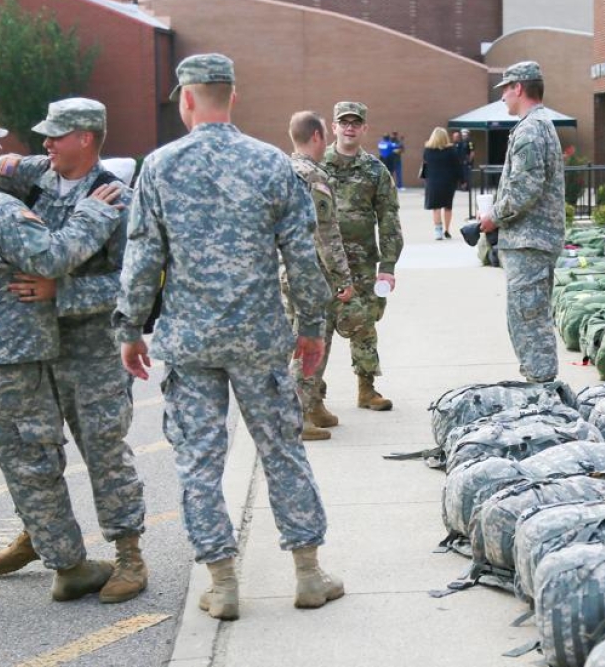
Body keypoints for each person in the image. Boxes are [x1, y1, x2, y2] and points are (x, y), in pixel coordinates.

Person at [113, 53, 342, 621]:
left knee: (198, 461)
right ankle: (309, 574)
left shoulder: (160, 167)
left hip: (191, 344)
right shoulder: (271, 164)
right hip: (260, 338)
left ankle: (222, 582)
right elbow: (303, 259)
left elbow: (142, 260)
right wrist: (311, 328)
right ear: (231, 96)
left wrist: (128, 330)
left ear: (186, 99)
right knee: (283, 451)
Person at [0, 99, 149, 604]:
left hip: (86, 351)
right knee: (31, 454)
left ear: (86, 137)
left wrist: (63, 293)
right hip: (23, 349)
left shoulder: (115, 197)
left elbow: (134, 283)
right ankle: (42, 538)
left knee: (103, 452)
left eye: (56, 135)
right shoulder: (30, 175)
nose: (43, 144)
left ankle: (128, 553)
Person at [479, 61, 565, 383]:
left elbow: (525, 188)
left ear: (518, 88)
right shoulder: (539, 124)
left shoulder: (531, 128)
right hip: (533, 241)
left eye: (505, 89)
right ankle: (540, 383)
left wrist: (493, 217)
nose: (503, 97)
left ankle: (541, 390)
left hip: (530, 242)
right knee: (531, 315)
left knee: (528, 319)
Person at [322, 101, 404, 410]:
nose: (349, 127)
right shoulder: (318, 166)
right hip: (324, 263)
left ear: (364, 128)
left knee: (365, 323)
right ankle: (312, 393)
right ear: (334, 127)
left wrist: (388, 265)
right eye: (344, 122)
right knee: (319, 325)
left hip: (363, 263)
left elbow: (389, 218)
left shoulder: (374, 170)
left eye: (356, 122)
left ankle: (367, 388)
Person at [285, 110, 354, 440]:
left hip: (288, 271)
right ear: (315, 136)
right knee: (310, 341)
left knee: (307, 338)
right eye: (324, 134)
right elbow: (326, 234)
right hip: (310, 274)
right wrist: (344, 277)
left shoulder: (283, 170)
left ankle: (312, 405)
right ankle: (298, 415)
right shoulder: (313, 177)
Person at [422, 127, 462, 239]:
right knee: (448, 207)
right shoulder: (451, 150)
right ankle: (447, 230)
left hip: (433, 181)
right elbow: (457, 166)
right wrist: (462, 179)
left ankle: (438, 231)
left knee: (436, 207)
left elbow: (425, 164)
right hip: (448, 182)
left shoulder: (427, 151)